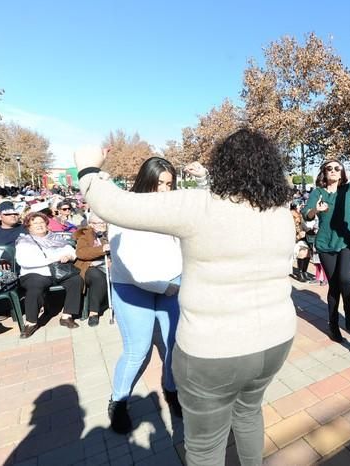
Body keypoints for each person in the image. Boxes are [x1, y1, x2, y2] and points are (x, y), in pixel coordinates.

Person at [75, 128, 296, 466]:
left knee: (206, 447)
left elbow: (114, 205)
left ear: (222, 166)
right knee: (249, 414)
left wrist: (88, 169)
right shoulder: (280, 212)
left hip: (215, 351)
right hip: (276, 340)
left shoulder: (198, 205)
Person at [104, 157, 187, 434]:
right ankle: (118, 401)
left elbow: (203, 213)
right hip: (133, 288)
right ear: (145, 181)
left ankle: (172, 391)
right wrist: (164, 286)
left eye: (169, 184)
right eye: (158, 183)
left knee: (173, 345)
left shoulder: (173, 209)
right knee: (138, 350)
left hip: (172, 282)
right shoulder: (124, 211)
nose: (164, 190)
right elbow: (126, 264)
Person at [301, 138, 350, 343]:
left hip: (347, 242)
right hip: (325, 244)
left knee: (345, 279)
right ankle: (333, 324)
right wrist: (316, 209)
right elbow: (306, 213)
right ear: (324, 173)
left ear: (341, 173)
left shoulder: (347, 190)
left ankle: (348, 311)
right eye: (329, 168)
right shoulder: (318, 192)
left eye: (337, 168)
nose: (333, 170)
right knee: (334, 286)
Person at [15, 212, 83, 339]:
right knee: (35, 287)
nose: (39, 225)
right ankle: (31, 322)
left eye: (41, 222)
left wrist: (69, 256)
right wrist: (54, 258)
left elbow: (71, 251)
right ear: (28, 226)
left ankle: (67, 316)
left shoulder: (56, 237)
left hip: (58, 271)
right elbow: (24, 261)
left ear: (46, 224)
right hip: (35, 273)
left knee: (76, 280)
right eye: (35, 223)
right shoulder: (24, 242)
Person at [73, 213, 110, 326]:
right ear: (91, 224)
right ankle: (93, 312)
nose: (103, 225)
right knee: (98, 278)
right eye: (100, 223)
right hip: (89, 265)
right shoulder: (85, 235)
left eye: (104, 222)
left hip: (107, 264)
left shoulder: (109, 233)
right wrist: (102, 249)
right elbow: (81, 253)